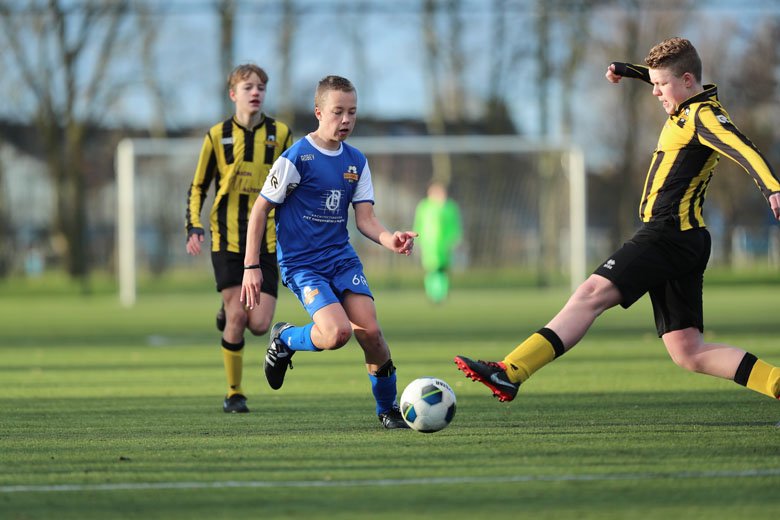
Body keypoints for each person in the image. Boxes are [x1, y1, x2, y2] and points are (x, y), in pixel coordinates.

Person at [455, 37, 780, 404]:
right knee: (689, 351)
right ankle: (776, 382)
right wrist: (631, 71)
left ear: (688, 80)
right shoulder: (688, 102)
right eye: (653, 83)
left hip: (667, 234)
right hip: (686, 238)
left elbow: (742, 147)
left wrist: (772, 187)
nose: (655, 92)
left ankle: (511, 371)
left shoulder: (701, 115)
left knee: (589, 295)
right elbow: (668, 77)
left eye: (661, 85)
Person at [241, 75, 418, 429]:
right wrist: (251, 266)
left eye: (352, 112)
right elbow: (260, 210)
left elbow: (365, 219)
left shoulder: (356, 161)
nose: (346, 119)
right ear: (319, 112)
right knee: (337, 334)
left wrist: (391, 239)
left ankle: (387, 409)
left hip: (341, 260)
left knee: (371, 333)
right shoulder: (297, 158)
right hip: (302, 265)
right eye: (338, 111)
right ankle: (286, 338)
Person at [185, 63, 293, 414]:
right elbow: (199, 185)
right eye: (248, 87)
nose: (256, 92)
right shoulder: (217, 136)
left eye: (261, 86)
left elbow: (295, 184)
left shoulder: (281, 134)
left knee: (259, 325)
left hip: (268, 240)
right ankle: (234, 393)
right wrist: (193, 225)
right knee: (237, 317)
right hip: (228, 237)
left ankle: (231, 311)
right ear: (233, 94)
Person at [413, 181, 463, 303]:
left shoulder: (450, 207)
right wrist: (417, 240)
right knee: (431, 269)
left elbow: (455, 225)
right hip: (429, 244)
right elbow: (418, 224)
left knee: (442, 269)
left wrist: (455, 239)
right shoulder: (424, 206)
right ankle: (432, 293)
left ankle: (441, 293)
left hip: (445, 244)